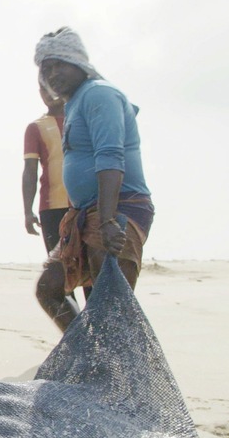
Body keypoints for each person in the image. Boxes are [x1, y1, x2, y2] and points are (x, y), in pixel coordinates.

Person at [33, 27, 154, 332]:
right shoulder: (74, 102)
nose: (53, 74)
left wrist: (109, 221)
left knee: (108, 304)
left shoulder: (99, 93)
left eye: (59, 63)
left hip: (118, 208)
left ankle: (114, 370)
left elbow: (110, 155)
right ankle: (86, 354)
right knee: (49, 288)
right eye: (46, 68)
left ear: (78, 61)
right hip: (86, 214)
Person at [23, 84, 69, 254]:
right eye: (43, 89)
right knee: (58, 269)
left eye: (52, 87)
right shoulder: (35, 128)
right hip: (52, 207)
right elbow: (29, 171)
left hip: (85, 205)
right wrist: (28, 211)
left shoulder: (82, 121)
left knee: (91, 271)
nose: (48, 93)